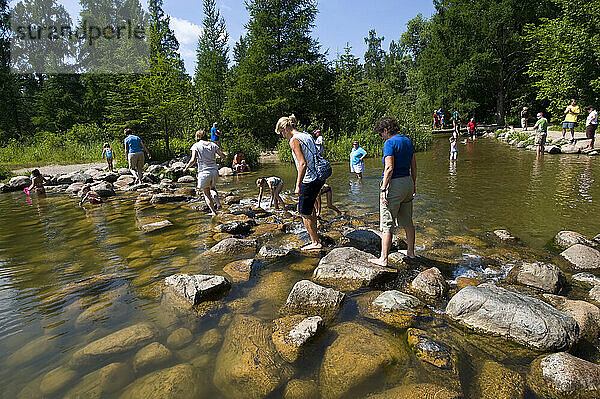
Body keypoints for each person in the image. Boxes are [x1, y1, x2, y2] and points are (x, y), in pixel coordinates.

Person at [369, 116, 417, 267]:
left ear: (386, 130)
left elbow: (389, 168)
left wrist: (383, 189)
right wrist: (413, 185)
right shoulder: (407, 141)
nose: (381, 137)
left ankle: (383, 258)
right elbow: (414, 167)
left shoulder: (389, 143)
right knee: (407, 220)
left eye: (381, 133)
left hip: (394, 184)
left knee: (387, 222)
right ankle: (411, 252)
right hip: (408, 182)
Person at [275, 114, 324, 251]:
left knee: (303, 212)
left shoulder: (294, 140)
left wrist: (298, 185)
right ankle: (317, 237)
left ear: (285, 128)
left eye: (281, 133)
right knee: (310, 208)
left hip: (308, 179)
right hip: (318, 176)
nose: (282, 136)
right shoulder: (306, 135)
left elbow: (302, 164)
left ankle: (315, 242)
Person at [183, 129, 226, 216]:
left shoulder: (196, 146)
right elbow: (222, 155)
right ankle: (218, 203)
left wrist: (186, 168)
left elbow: (192, 160)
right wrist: (223, 159)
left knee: (206, 194)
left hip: (204, 172)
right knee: (213, 188)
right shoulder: (213, 144)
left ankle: (213, 212)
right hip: (214, 171)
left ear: (197, 136)